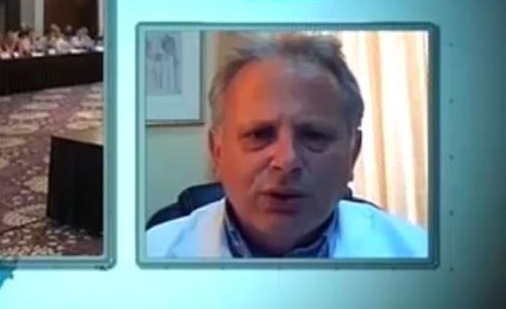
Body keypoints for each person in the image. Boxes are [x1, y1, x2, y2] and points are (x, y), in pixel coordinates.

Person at [146, 34, 427, 259]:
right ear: (217, 152)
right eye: (259, 134)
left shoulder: (418, 255)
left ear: (353, 155)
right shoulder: (149, 256)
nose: (286, 160)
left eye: (314, 135)